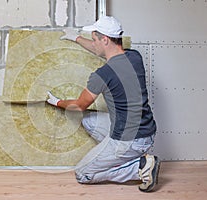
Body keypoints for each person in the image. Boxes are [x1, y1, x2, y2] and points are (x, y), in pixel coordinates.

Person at [46, 16, 160, 192]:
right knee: (89, 120)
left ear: (105, 39)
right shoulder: (134, 57)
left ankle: (139, 168)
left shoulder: (103, 75)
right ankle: (123, 156)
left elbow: (78, 106)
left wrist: (57, 102)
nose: (93, 43)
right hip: (147, 133)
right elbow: (99, 49)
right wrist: (75, 37)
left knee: (83, 174)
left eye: (94, 39)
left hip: (129, 140)